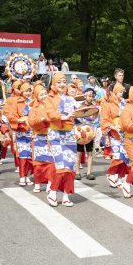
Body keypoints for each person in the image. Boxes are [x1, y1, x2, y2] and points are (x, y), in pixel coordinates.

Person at [45, 73, 77, 207]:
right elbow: (50, 114)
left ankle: (66, 195)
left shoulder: (71, 99)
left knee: (70, 167)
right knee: (61, 166)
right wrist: (64, 117)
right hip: (55, 136)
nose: (62, 84)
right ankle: (52, 191)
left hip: (69, 135)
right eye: (59, 82)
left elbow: (78, 115)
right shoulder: (49, 98)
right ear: (54, 84)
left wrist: (89, 115)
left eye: (64, 82)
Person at [101, 83, 130, 188]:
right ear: (114, 92)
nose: (122, 93)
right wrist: (113, 127)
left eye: (123, 91)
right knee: (117, 156)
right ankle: (111, 173)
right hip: (114, 133)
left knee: (124, 156)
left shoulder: (124, 103)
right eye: (120, 91)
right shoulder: (108, 104)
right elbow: (104, 120)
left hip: (124, 132)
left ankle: (120, 176)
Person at [28, 84, 53, 193]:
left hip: (50, 136)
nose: (44, 96)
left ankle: (50, 183)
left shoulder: (51, 105)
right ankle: (37, 183)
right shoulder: (34, 108)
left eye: (45, 93)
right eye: (41, 94)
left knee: (51, 163)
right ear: (36, 96)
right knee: (38, 163)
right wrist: (41, 119)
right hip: (38, 137)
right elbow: (31, 122)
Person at [75, 88, 99, 180]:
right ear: (84, 96)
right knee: (78, 153)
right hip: (80, 131)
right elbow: (75, 119)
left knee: (90, 153)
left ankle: (89, 172)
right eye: (89, 96)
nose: (91, 98)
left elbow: (96, 121)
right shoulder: (79, 106)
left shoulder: (95, 108)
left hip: (89, 132)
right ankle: (77, 172)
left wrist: (94, 132)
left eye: (92, 96)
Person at [13, 82, 34, 186]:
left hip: (32, 132)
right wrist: (20, 120)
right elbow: (12, 117)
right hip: (21, 132)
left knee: (30, 156)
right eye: (26, 91)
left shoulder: (33, 102)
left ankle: (28, 176)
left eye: (30, 91)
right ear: (22, 92)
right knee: (23, 155)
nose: (28, 93)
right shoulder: (17, 102)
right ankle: (22, 176)